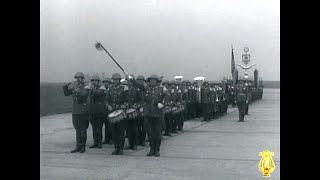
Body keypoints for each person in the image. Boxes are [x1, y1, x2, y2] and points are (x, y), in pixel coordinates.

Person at [129, 74, 170, 157]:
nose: (151, 81)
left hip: (158, 114)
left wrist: (163, 103)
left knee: (157, 134)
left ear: (157, 81)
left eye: (153, 80)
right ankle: (151, 149)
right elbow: (137, 84)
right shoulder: (146, 88)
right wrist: (132, 79)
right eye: (150, 80)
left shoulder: (162, 88)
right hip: (148, 113)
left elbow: (168, 96)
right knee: (150, 133)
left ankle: (157, 150)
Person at [62, 72, 90, 153]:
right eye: (76, 78)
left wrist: (74, 88)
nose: (78, 79)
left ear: (82, 78)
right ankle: (78, 146)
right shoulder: (75, 86)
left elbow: (83, 93)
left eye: (79, 78)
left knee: (83, 129)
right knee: (77, 129)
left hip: (83, 110)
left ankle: (83, 147)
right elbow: (67, 94)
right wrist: (65, 87)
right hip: (75, 110)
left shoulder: (86, 86)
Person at [105, 73, 128, 155]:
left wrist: (124, 105)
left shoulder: (124, 88)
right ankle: (116, 147)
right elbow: (106, 99)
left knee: (121, 131)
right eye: (114, 80)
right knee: (114, 131)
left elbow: (127, 99)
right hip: (112, 111)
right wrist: (108, 105)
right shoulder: (110, 88)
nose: (115, 81)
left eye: (116, 80)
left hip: (120, 112)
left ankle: (121, 148)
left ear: (119, 80)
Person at [88, 75, 106, 149]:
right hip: (93, 110)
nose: (93, 82)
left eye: (95, 81)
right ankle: (95, 142)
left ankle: (99, 142)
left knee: (99, 127)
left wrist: (91, 89)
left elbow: (97, 93)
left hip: (100, 110)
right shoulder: (92, 88)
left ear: (98, 82)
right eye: (92, 81)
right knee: (94, 127)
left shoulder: (102, 88)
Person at [101, 77, 113, 144]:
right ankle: (106, 139)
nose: (106, 83)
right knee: (106, 125)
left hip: (110, 108)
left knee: (110, 125)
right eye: (105, 82)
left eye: (107, 82)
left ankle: (111, 138)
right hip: (104, 109)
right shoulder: (102, 89)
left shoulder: (111, 89)